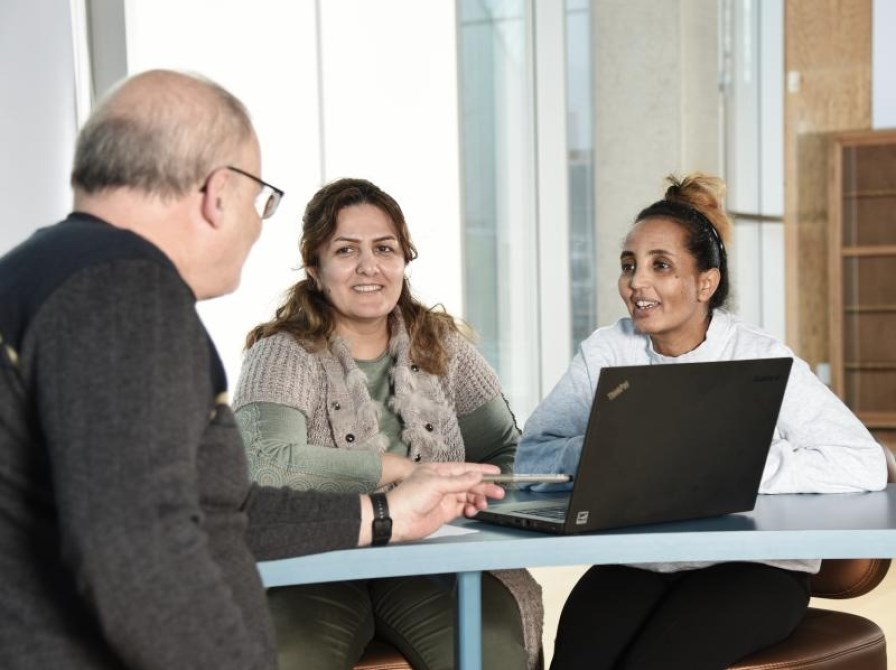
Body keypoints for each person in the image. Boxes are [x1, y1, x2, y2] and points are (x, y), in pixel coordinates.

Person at [0, 70, 508, 670]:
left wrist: (389, 512)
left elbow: (217, 509)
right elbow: (142, 553)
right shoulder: (123, 298)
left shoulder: (42, 273)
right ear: (218, 193)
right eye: (259, 200)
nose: (254, 223)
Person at [515, 173, 888, 670]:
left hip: (754, 568)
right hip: (639, 561)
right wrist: (606, 450)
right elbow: (533, 457)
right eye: (629, 266)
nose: (636, 283)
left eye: (660, 266)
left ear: (704, 283)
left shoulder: (759, 357)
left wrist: (728, 465)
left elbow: (862, 463)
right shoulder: (606, 351)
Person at [232, 177, 544, 670]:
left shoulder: (443, 345)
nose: (369, 267)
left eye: (384, 248)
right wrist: (398, 471)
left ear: (404, 259)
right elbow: (264, 465)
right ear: (315, 268)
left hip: (432, 562)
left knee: (492, 657)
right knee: (287, 658)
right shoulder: (280, 353)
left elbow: (506, 452)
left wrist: (474, 494)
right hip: (315, 566)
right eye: (345, 250)